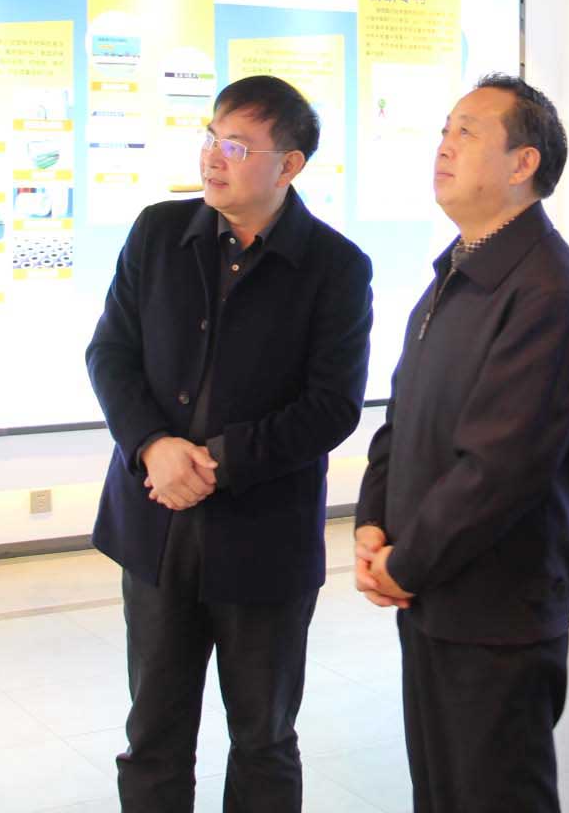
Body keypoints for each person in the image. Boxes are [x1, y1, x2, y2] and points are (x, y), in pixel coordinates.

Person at [85, 75, 374, 813]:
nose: (214, 157)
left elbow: (331, 407)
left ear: (290, 166)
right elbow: (110, 354)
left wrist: (215, 463)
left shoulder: (336, 267)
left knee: (263, 739)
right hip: (156, 525)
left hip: (262, 540)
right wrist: (153, 445)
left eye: (238, 147)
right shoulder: (158, 233)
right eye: (211, 138)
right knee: (153, 733)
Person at [353, 73, 569, 813]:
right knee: (440, 793)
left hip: (497, 607)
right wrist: (374, 522)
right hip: (433, 591)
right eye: (445, 130)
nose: (444, 146)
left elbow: (502, 466)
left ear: (523, 163)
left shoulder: (546, 291)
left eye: (466, 132)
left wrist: (406, 562)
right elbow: (403, 416)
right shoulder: (459, 271)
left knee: (494, 794)